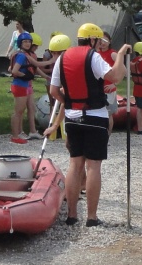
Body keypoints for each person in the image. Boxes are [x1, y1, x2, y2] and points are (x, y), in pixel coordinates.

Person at [49, 23, 131, 226]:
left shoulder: (62, 58)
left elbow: (53, 91)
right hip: (95, 116)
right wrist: (120, 55)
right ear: (93, 40)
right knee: (93, 166)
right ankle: (92, 217)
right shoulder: (92, 56)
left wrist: (68, 103)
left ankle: (72, 214)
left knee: (75, 165)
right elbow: (115, 76)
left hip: (72, 117)